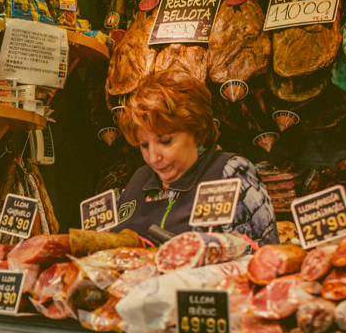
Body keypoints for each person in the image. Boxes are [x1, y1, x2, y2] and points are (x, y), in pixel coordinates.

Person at [113, 71, 279, 245]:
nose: (153, 158)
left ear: (197, 132)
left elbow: (261, 256)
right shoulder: (139, 179)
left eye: (165, 141)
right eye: (144, 145)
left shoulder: (230, 171)